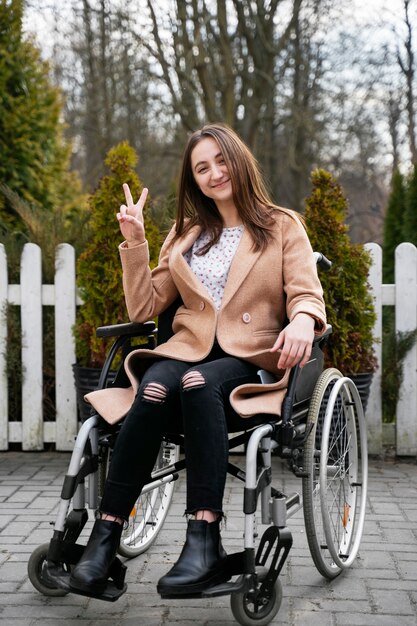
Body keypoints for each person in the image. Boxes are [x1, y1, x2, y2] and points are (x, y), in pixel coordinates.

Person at [69, 122, 326, 597]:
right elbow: (145, 308)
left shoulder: (280, 224)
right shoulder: (186, 234)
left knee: (196, 384)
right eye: (201, 168)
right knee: (153, 386)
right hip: (186, 349)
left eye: (220, 161)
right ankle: (103, 540)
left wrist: (303, 321)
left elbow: (308, 293)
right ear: (194, 179)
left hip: (247, 357)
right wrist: (135, 241)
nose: (213, 173)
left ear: (238, 160)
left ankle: (203, 539)